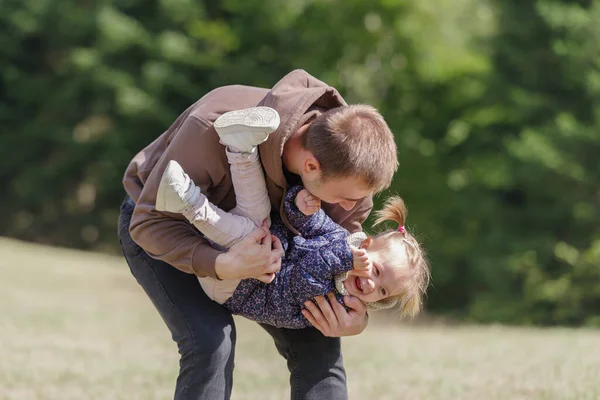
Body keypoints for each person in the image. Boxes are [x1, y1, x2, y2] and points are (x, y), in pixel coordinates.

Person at [118, 69, 399, 400]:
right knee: (211, 343)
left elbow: (339, 248)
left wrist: (356, 317)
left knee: (321, 351)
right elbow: (148, 223)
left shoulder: (349, 168)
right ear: (311, 166)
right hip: (170, 229)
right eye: (345, 197)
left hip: (272, 267)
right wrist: (223, 264)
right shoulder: (215, 122)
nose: (353, 206)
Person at [155, 106, 430, 329]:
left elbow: (305, 275)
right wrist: (301, 206)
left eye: (382, 292)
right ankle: (240, 149)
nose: (371, 284)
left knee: (249, 232)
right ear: (366, 245)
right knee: (259, 215)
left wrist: (346, 257)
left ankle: (188, 202)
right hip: (252, 259)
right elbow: (307, 225)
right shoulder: (339, 240)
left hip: (236, 288)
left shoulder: (336, 303)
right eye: (378, 272)